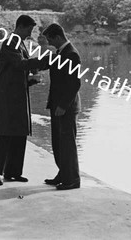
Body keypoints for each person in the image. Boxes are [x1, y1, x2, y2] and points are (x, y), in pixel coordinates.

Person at [0, 15, 45, 186]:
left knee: (20, 133)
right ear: (20, 27)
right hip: (8, 96)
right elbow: (20, 64)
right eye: (29, 29)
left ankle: (13, 172)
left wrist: (34, 74)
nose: (30, 32)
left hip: (18, 93)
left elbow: (23, 67)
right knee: (5, 134)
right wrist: (41, 62)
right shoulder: (11, 42)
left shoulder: (19, 43)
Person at [41, 23, 82, 190]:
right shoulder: (61, 53)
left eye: (51, 40)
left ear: (58, 37)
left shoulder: (71, 54)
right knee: (58, 143)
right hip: (57, 105)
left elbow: (74, 84)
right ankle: (63, 173)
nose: (50, 44)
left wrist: (63, 105)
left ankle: (72, 179)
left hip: (66, 107)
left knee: (67, 144)